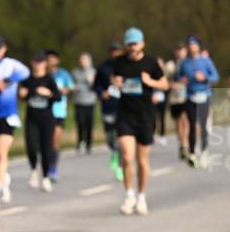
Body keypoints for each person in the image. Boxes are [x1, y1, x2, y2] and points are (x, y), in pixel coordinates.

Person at [112, 28, 168, 216]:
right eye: (129, 43)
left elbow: (165, 84)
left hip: (145, 116)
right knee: (127, 156)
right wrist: (116, 83)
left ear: (142, 44)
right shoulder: (119, 62)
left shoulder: (151, 63)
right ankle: (129, 196)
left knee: (142, 160)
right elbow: (114, 80)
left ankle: (142, 197)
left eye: (135, 43)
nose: (132, 47)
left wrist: (150, 82)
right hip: (125, 115)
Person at [0, 33, 30, 210]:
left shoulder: (11, 64)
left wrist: (9, 80)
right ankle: (3, 178)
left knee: (2, 153)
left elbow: (26, 72)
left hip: (8, 115)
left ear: (4, 48)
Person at [19, 52, 61, 192]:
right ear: (32, 63)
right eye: (36, 62)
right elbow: (22, 96)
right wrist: (22, 94)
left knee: (46, 149)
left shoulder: (49, 80)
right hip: (32, 119)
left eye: (41, 62)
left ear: (45, 64)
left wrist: (48, 93)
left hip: (47, 119)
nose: (38, 65)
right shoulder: (27, 80)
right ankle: (33, 169)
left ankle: (45, 177)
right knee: (31, 146)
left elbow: (58, 97)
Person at [177, 35, 219, 168]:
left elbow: (215, 77)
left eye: (194, 44)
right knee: (192, 125)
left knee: (203, 125)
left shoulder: (206, 61)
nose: (191, 47)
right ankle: (192, 153)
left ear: (198, 47)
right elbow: (179, 76)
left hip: (204, 96)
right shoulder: (185, 63)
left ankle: (205, 152)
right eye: (190, 44)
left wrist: (204, 77)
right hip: (190, 97)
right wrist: (181, 80)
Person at [94, 42, 124, 181]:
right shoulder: (103, 67)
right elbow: (95, 85)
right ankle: (114, 152)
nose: (114, 54)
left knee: (122, 137)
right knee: (110, 137)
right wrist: (102, 93)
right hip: (108, 106)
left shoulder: (126, 66)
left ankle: (120, 164)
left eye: (117, 51)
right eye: (112, 51)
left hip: (123, 105)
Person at [46, 49, 74, 181]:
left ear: (57, 60)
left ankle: (53, 168)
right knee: (46, 142)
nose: (51, 61)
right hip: (44, 112)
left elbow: (71, 86)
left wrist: (65, 90)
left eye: (53, 58)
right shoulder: (44, 75)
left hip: (59, 112)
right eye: (48, 59)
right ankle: (45, 166)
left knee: (55, 141)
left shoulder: (63, 74)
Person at [165, 43, 190, 160]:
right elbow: (163, 81)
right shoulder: (170, 65)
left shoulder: (191, 63)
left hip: (187, 97)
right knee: (178, 123)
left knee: (186, 120)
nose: (180, 52)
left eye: (182, 50)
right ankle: (181, 144)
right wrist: (172, 85)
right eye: (178, 50)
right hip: (175, 98)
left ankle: (186, 143)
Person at [71, 52, 97, 154]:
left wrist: (92, 81)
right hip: (78, 101)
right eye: (81, 60)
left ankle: (89, 144)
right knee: (80, 123)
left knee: (89, 124)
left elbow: (97, 86)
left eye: (85, 60)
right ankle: (80, 141)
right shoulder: (75, 72)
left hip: (90, 101)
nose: (83, 62)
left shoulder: (93, 72)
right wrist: (73, 87)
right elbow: (70, 84)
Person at [153, 56, 169, 146]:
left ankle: (162, 135)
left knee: (162, 117)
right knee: (153, 117)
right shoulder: (152, 73)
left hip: (162, 97)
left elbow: (167, 87)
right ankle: (153, 134)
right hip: (153, 97)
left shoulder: (166, 74)